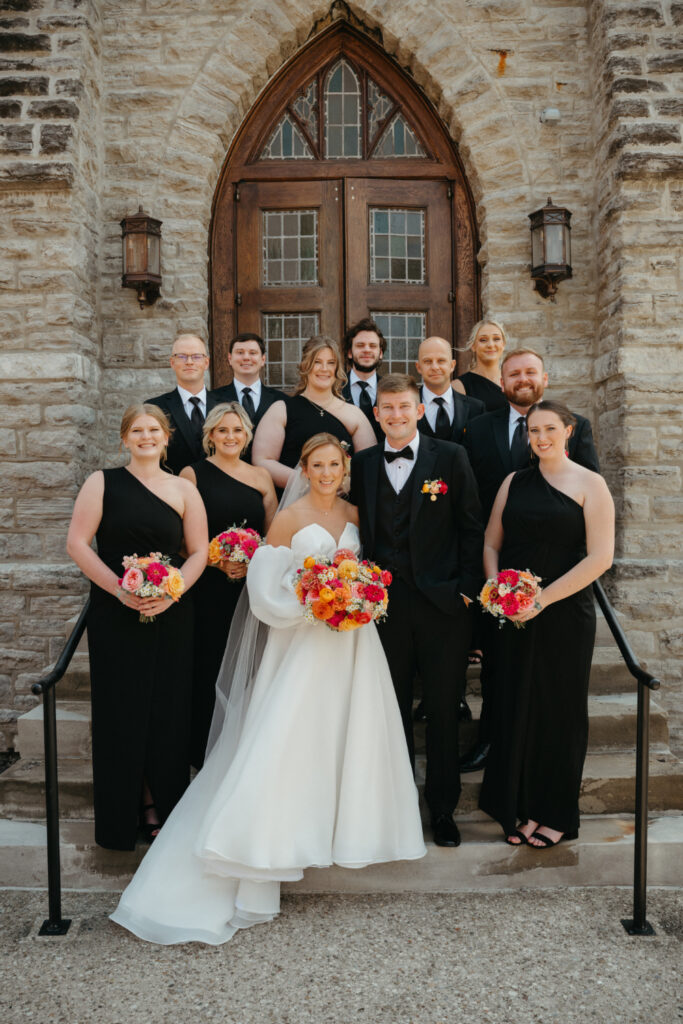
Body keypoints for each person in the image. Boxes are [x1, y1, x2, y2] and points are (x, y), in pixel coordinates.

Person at [110, 433, 426, 944]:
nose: (326, 472)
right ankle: (265, 846)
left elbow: (369, 573)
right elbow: (264, 585)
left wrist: (357, 600)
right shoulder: (289, 516)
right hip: (303, 641)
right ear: (304, 468)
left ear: (345, 468)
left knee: (346, 733)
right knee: (287, 740)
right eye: (317, 465)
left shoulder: (355, 512)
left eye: (334, 465)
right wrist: (312, 604)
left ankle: (337, 832)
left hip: (351, 644)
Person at [350, 375, 484, 848]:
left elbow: (472, 527)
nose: (396, 415)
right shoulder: (363, 464)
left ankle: (443, 809)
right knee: (391, 710)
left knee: (445, 710)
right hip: (383, 610)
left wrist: (466, 592)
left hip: (443, 607)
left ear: (420, 410)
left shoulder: (450, 457)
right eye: (387, 408)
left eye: (405, 407)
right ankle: (399, 805)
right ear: (377, 413)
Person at [66, 404, 208, 849]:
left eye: (153, 430)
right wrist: (117, 589)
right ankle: (121, 818)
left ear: (166, 437)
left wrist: (171, 592)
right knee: (121, 711)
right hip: (115, 612)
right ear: (124, 438)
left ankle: (164, 806)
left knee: (168, 711)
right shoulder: (101, 482)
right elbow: (77, 543)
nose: (146, 437)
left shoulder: (184, 488)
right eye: (137, 430)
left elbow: (199, 550)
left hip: (173, 612)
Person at [479, 401, 614, 847]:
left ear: (569, 430)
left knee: (559, 712)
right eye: (533, 430)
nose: (540, 438)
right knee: (515, 704)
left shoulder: (591, 484)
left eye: (550, 429)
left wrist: (541, 599)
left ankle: (554, 813)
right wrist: (499, 590)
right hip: (513, 614)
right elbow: (491, 543)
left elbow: (601, 558)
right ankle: (514, 806)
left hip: (564, 614)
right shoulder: (514, 481)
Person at [460, 347, 601, 773]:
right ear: (501, 383)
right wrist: (492, 581)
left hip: (556, 570)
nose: (522, 378)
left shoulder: (578, 432)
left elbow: (588, 502)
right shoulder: (477, 427)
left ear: (544, 377)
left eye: (530, 372)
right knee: (498, 669)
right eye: (514, 374)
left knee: (551, 684)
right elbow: (472, 495)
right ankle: (491, 741)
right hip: (497, 563)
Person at [180, 402, 277, 769]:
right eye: (222, 430)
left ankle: (242, 754)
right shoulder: (192, 474)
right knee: (208, 664)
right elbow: (181, 534)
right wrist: (216, 559)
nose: (230, 437)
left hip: (249, 589)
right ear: (210, 436)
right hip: (206, 587)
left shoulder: (260, 477)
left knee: (250, 666)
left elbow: (272, 534)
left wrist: (252, 559)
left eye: (237, 430)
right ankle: (204, 755)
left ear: (247, 435)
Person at [252, 335, 376, 491]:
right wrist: (309, 484)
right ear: (305, 365)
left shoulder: (354, 414)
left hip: (342, 503)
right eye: (317, 362)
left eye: (331, 363)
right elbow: (262, 460)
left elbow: (369, 464)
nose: (324, 369)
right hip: (296, 505)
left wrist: (342, 484)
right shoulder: (281, 409)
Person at [146, 334, 230, 475]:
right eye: (182, 356)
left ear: (206, 363)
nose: (189, 362)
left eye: (196, 356)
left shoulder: (227, 406)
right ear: (172, 363)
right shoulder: (155, 408)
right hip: (172, 491)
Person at [217, 332, 286, 461]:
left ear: (263, 360)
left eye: (253, 353)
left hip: (270, 477)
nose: (246, 357)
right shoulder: (213, 398)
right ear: (229, 358)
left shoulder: (281, 400)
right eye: (240, 352)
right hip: (226, 474)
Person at [416, 335, 485, 444]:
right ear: (419, 367)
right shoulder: (405, 407)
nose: (435, 367)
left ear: (452, 365)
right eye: (428, 361)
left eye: (441, 360)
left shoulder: (476, 408)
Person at [341, 317, 386, 442]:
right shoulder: (334, 388)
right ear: (350, 352)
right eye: (360, 345)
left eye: (372, 346)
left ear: (380, 353)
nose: (367, 350)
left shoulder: (390, 389)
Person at [452, 319, 509, 412]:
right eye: (483, 340)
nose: (490, 345)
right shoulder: (459, 386)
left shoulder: (513, 380)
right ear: (473, 346)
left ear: (503, 345)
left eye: (496, 339)